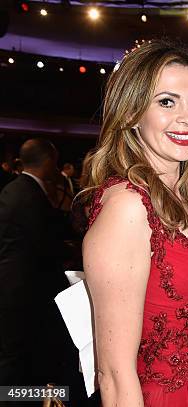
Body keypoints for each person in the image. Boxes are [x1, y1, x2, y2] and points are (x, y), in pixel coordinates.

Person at [79, 40, 188, 407]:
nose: (187, 117)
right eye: (166, 102)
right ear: (132, 114)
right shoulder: (128, 206)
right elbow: (114, 375)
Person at [0, 139, 71, 387]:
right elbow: (44, 245)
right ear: (50, 161)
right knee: (16, 359)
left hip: (13, 285)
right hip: (24, 290)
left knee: (17, 356)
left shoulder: (15, 189)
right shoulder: (29, 194)